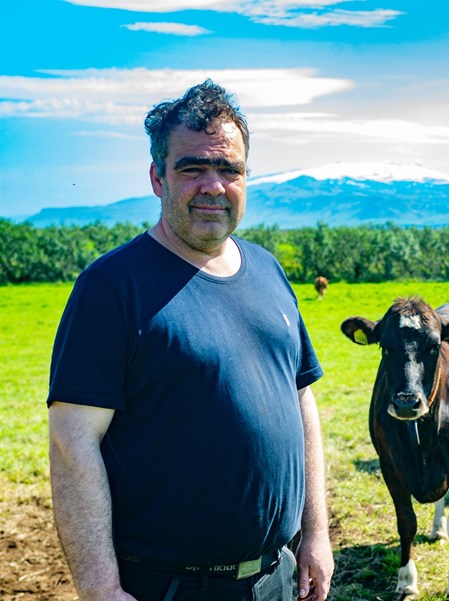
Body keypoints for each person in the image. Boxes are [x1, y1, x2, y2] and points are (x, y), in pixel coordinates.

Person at [47, 80, 334, 601]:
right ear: (158, 178)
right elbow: (73, 442)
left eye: (230, 170)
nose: (213, 186)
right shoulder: (113, 288)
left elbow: (301, 401)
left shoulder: (267, 270)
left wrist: (316, 534)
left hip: (279, 576)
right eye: (192, 167)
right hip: (172, 587)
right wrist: (99, 588)